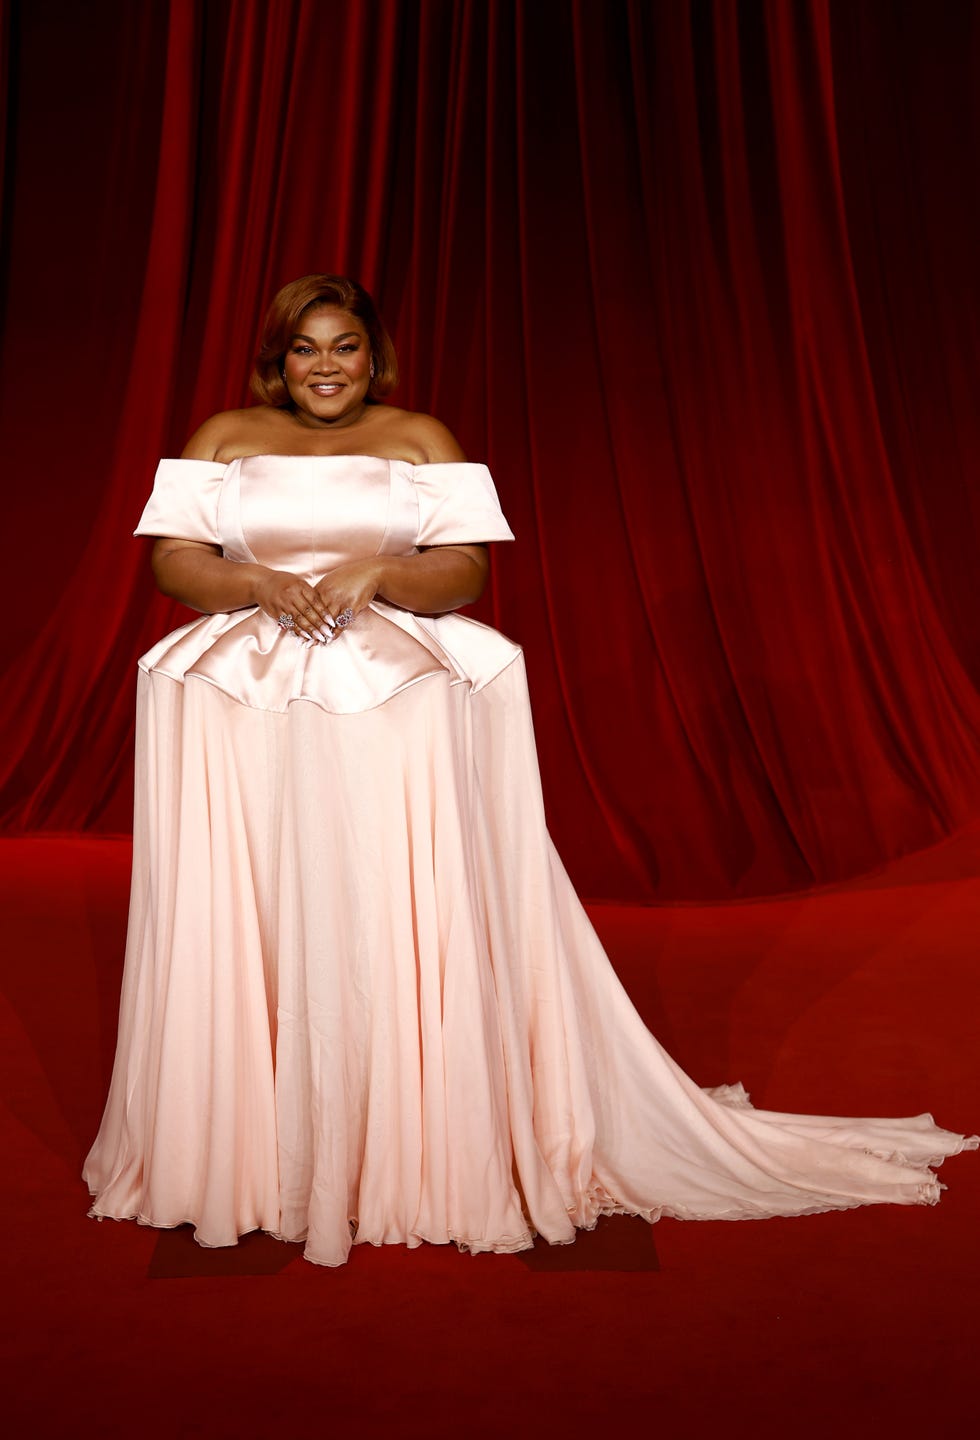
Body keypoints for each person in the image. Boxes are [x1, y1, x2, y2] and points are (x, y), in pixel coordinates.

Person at [84, 274, 976, 1267]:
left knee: (391, 898)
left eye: (344, 347)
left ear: (371, 356)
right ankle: (258, 1148)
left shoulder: (421, 437)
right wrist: (252, 579)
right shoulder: (222, 433)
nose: (325, 367)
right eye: (305, 348)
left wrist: (378, 570)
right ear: (277, 359)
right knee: (258, 901)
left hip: (396, 701)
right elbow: (172, 559)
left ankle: (414, 1141)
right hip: (243, 702)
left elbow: (465, 569)